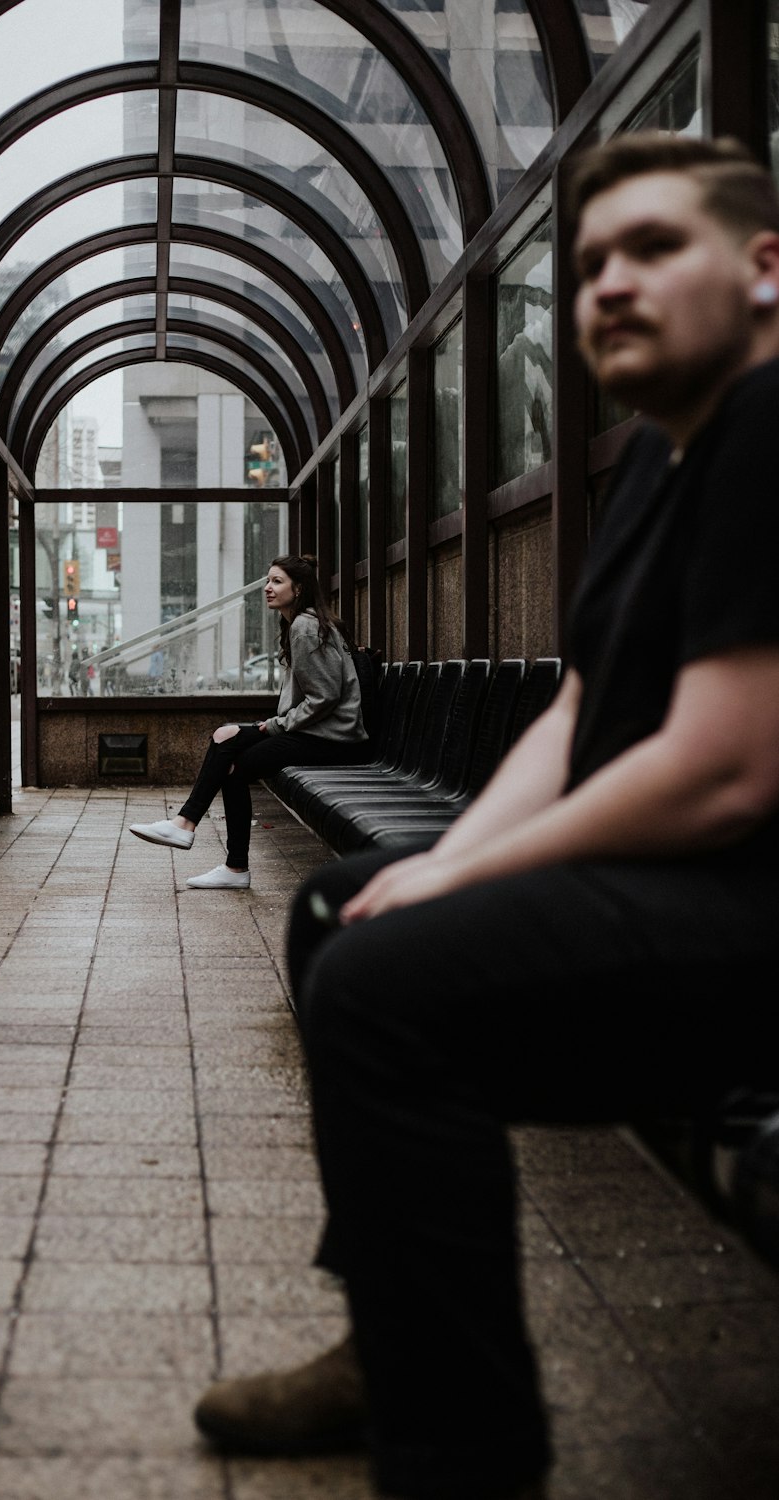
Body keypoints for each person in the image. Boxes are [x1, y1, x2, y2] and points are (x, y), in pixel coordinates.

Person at [192, 133, 779, 1499]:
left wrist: (471, 875)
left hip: (749, 902)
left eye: (653, 250)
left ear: (762, 269)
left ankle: (459, 1456)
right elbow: (580, 713)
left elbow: (726, 769)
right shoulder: (670, 463)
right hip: (708, 899)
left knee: (389, 982)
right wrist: (450, 860)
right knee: (346, 909)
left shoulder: (767, 431)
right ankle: (392, 1338)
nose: (608, 288)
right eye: (586, 268)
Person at [130, 554, 368, 889]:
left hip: (334, 740)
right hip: (320, 733)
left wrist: (270, 726)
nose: (268, 588)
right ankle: (205, 843)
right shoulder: (299, 624)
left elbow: (324, 697)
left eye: (277, 581)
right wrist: (269, 725)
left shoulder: (305, 627)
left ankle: (205, 842)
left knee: (230, 751)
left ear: (298, 588)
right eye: (268, 581)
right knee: (225, 739)